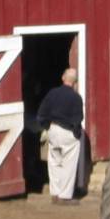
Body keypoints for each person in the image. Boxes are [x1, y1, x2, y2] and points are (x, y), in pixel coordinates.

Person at [37, 67, 83, 205]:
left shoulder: (52, 94)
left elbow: (41, 114)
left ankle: (55, 194)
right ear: (75, 82)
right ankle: (64, 196)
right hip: (67, 131)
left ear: (63, 78)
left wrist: (47, 127)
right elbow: (78, 119)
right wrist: (76, 134)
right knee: (68, 164)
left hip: (53, 129)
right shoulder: (76, 98)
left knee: (54, 162)